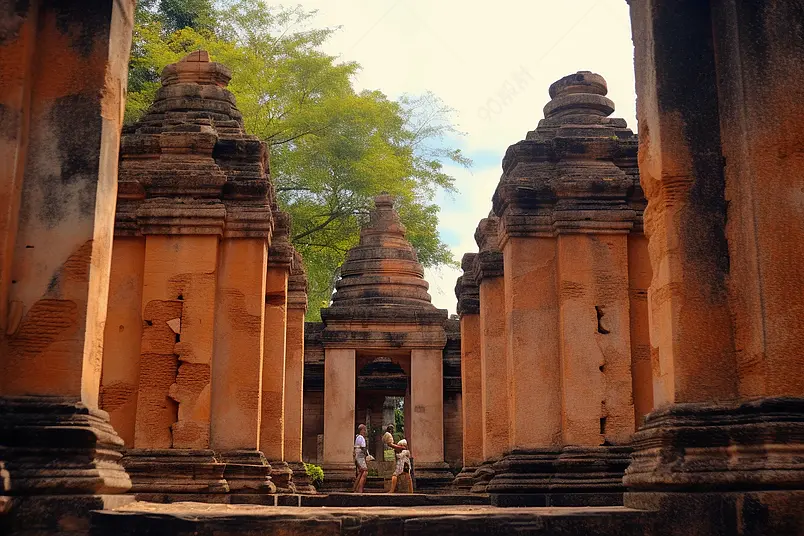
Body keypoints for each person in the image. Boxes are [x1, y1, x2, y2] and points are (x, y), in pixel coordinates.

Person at [353, 424, 369, 493]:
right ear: (362, 430)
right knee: (365, 471)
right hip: (360, 456)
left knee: (361, 472)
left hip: (358, 455)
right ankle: (360, 489)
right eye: (365, 430)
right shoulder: (361, 438)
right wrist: (367, 456)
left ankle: (355, 488)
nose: (365, 432)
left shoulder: (358, 437)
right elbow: (363, 448)